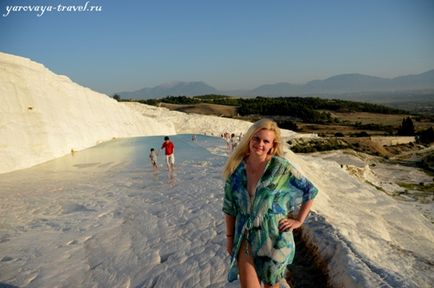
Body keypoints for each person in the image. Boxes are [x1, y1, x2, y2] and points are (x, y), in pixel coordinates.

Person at [222, 119, 318, 288]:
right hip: (244, 236)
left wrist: (299, 221)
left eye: (266, 141)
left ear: (272, 145)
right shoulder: (236, 169)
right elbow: (229, 208)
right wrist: (230, 238)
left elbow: (310, 191)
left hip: (274, 237)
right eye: (256, 138)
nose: (260, 144)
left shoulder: (280, 168)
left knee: (270, 286)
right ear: (249, 139)